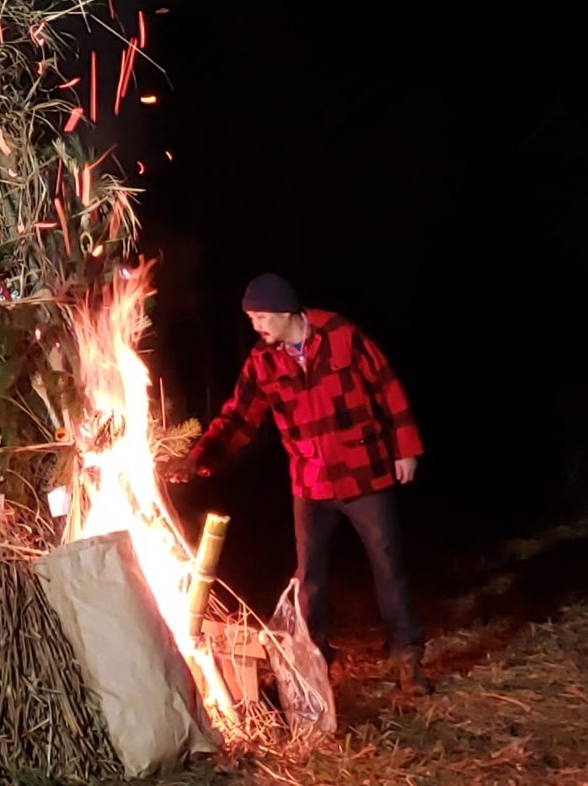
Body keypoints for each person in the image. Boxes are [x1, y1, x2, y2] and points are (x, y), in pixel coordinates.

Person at [183, 272, 429, 697]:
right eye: (251, 317)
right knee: (308, 579)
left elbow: (386, 386)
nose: (256, 325)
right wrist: (197, 460)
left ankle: (407, 658)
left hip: (363, 472)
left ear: (284, 312)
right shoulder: (263, 361)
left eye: (261, 316)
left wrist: (405, 448)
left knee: (388, 567)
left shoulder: (340, 335)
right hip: (310, 483)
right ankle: (313, 662)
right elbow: (239, 416)